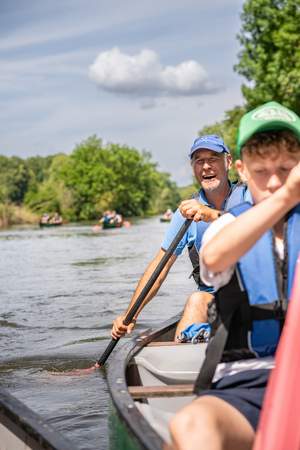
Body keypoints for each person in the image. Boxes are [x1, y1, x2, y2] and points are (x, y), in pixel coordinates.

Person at [168, 101, 300, 450]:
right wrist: (288, 195)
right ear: (241, 169)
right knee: (192, 425)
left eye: (287, 169)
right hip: (246, 385)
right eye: (261, 172)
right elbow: (213, 257)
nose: (273, 182)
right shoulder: (225, 224)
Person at [111, 134, 248, 341]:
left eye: (213, 159)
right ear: (193, 168)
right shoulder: (185, 213)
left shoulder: (249, 196)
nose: (206, 166)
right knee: (195, 300)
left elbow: (262, 229)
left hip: (254, 294)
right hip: (212, 300)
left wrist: (212, 216)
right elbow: (160, 267)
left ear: (228, 162)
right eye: (199, 161)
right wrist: (131, 315)